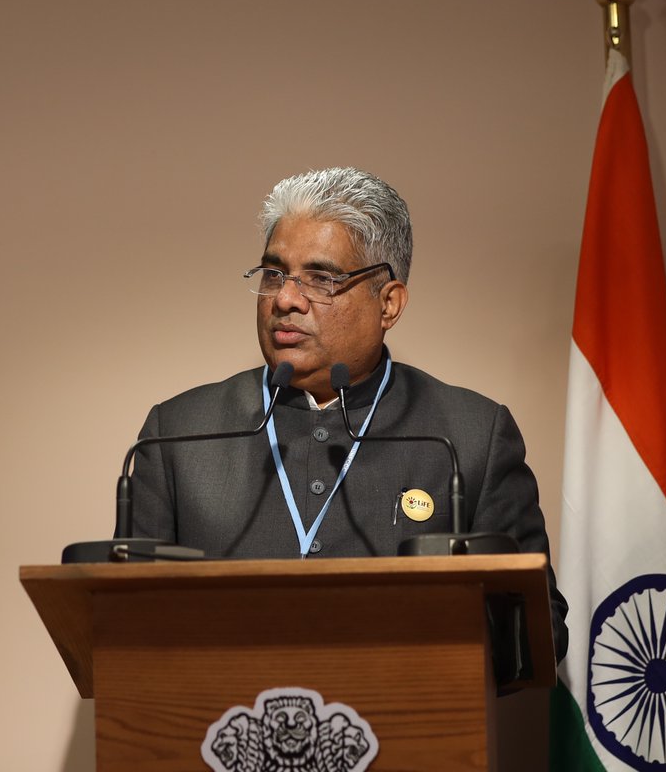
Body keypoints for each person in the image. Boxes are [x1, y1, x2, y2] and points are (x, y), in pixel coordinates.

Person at [130, 167, 567, 661]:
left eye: (322, 278)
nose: (286, 299)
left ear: (389, 304)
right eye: (274, 274)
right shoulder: (178, 436)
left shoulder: (469, 437)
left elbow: (541, 633)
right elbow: (124, 629)